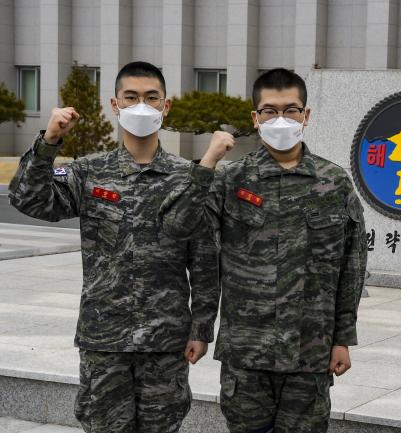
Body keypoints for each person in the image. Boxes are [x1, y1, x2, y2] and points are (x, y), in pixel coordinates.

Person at [9, 61, 220, 433]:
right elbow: (29, 199)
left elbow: (203, 260)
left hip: (165, 341)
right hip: (104, 341)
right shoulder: (88, 172)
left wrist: (201, 328)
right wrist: (50, 141)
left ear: (165, 106)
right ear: (115, 104)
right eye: (132, 97)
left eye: (151, 97)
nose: (142, 105)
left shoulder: (188, 178)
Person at [159, 68, 367, 433]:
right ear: (255, 119)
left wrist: (343, 338)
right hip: (247, 354)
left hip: (310, 354)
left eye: (292, 109)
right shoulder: (229, 179)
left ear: (307, 116)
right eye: (270, 111)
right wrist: (206, 164)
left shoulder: (334, 183)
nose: (281, 119)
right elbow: (179, 228)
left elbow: (351, 266)